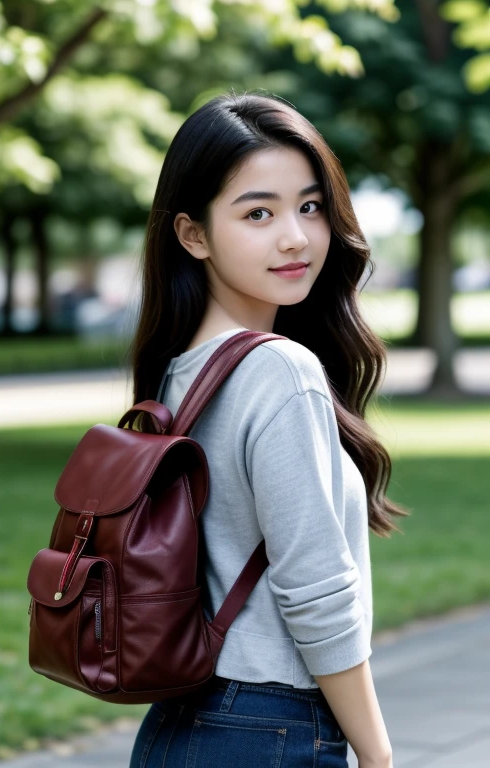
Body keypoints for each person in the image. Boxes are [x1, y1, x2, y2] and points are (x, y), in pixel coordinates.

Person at [128, 90, 409, 768]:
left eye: (310, 206)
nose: (296, 235)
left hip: (179, 727)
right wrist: (377, 755)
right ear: (193, 234)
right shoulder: (279, 371)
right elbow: (317, 594)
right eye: (259, 212)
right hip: (269, 728)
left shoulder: (176, 377)